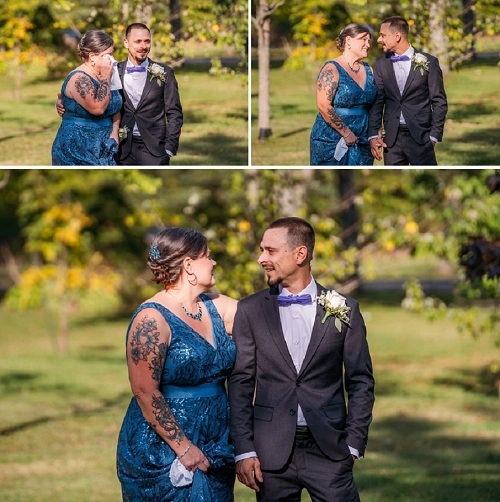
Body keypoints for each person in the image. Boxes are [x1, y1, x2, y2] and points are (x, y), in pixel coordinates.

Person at [228, 217, 375, 502]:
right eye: (262, 250)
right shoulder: (250, 310)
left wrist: (353, 444)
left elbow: (360, 380)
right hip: (270, 455)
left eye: (270, 251)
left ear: (300, 254)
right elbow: (240, 383)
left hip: (330, 451)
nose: (261, 259)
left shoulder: (346, 308)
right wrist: (244, 450)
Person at [116, 227, 237, 501]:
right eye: (208, 256)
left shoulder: (215, 307)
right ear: (189, 265)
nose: (214, 262)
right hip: (164, 448)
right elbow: (145, 391)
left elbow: (263, 317)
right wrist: (184, 449)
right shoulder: (151, 318)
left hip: (216, 443)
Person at [57, 23, 183, 166]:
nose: (143, 46)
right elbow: (92, 96)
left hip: (154, 148)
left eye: (147, 41)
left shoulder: (165, 72)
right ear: (126, 43)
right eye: (138, 41)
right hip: (121, 148)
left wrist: (169, 148)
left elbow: (174, 113)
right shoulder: (112, 70)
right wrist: (65, 104)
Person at [368, 16, 448, 165]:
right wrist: (373, 134)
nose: (379, 40)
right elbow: (377, 100)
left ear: (397, 36)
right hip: (391, 141)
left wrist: (434, 136)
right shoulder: (380, 63)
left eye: (383, 35)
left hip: (421, 138)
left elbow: (439, 101)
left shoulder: (429, 62)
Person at [51, 30, 123, 165]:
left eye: (112, 54)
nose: (112, 60)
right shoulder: (80, 78)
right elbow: (97, 108)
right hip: (78, 145)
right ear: (92, 57)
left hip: (106, 144)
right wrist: (106, 77)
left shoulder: (108, 74)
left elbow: (115, 104)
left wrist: (115, 130)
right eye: (107, 55)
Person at [310, 24, 377, 166]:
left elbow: (375, 105)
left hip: (363, 137)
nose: (367, 44)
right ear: (349, 41)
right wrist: (346, 132)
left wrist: (375, 134)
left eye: (369, 41)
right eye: (363, 40)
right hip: (332, 137)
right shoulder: (332, 68)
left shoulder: (369, 70)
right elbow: (323, 104)